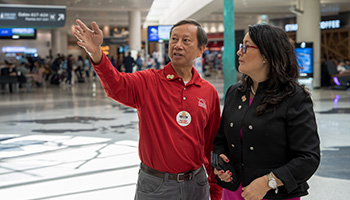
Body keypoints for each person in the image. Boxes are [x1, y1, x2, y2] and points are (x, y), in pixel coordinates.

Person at [74, 18, 222, 200]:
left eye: (186, 40)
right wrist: (96, 53)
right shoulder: (148, 81)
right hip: (156, 185)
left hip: (197, 185)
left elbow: (211, 145)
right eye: (174, 39)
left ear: (201, 50)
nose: (177, 45)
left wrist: (215, 190)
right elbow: (116, 85)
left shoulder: (208, 92)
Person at [213, 24, 320, 200]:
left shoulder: (294, 98)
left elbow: (308, 157)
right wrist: (222, 164)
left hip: (274, 193)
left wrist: (268, 181)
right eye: (241, 46)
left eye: (246, 46)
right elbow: (221, 141)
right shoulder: (235, 92)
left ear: (266, 55)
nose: (239, 52)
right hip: (234, 191)